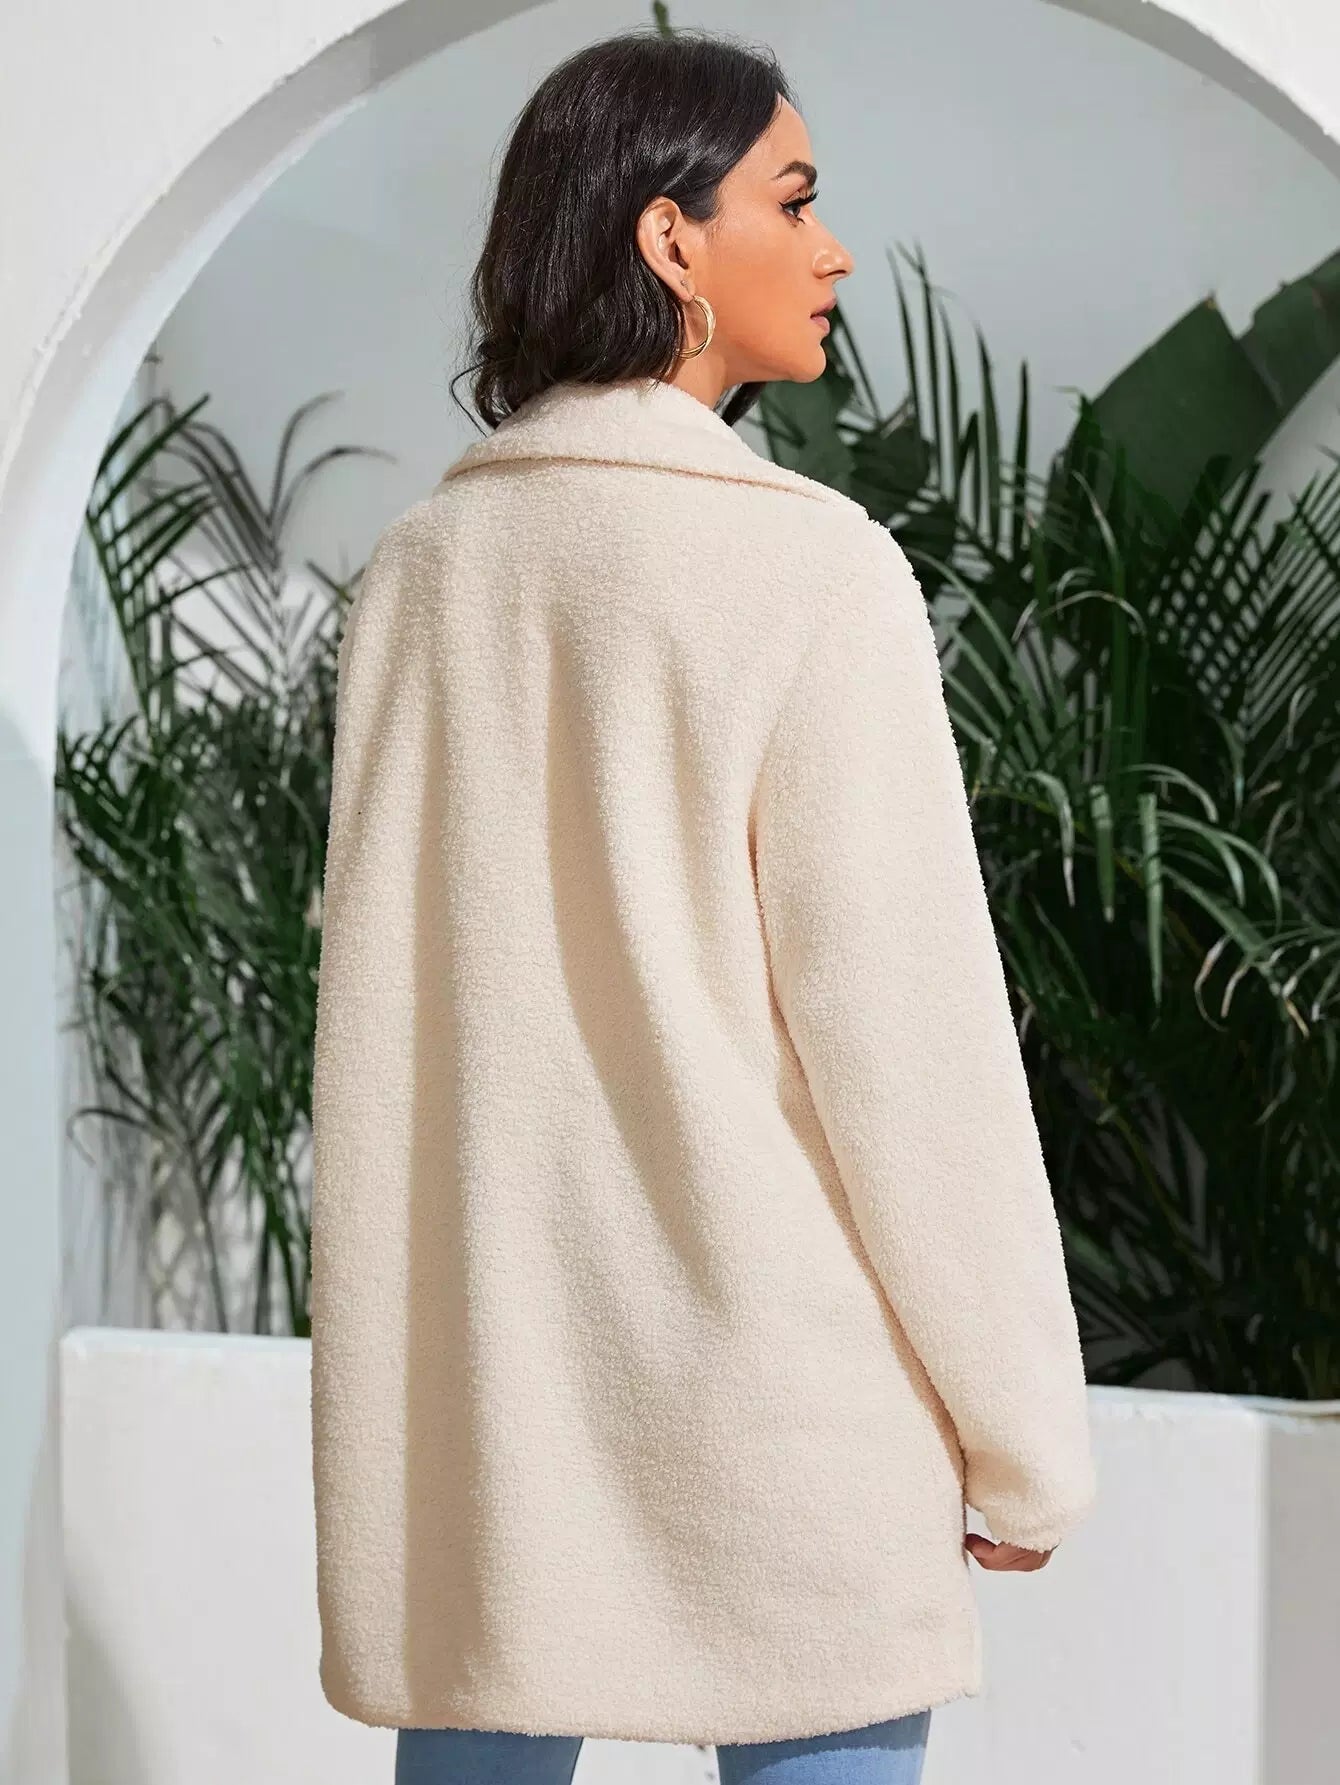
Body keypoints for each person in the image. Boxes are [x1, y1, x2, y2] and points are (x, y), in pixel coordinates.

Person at [308, 26, 1097, 1785]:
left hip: (498, 1412)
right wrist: (1024, 1435)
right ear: (671, 239)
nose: (834, 251)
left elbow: (379, 1034)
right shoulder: (811, 568)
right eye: (794, 202)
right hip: (783, 1409)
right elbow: (908, 1046)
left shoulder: (423, 573)